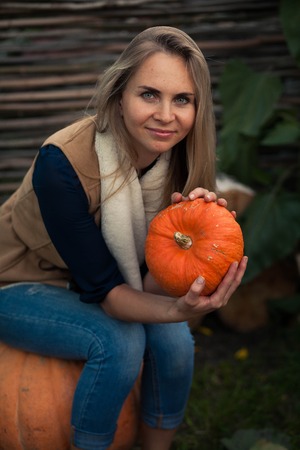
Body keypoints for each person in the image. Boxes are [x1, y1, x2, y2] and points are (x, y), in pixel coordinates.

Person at [0, 26, 247, 450]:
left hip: (100, 282)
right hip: (17, 280)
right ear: (119, 96)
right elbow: (111, 293)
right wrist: (178, 308)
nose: (166, 115)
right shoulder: (60, 165)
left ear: (197, 107)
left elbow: (149, 279)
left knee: (174, 341)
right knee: (118, 340)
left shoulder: (182, 161)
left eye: (182, 99)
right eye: (149, 94)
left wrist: (198, 240)